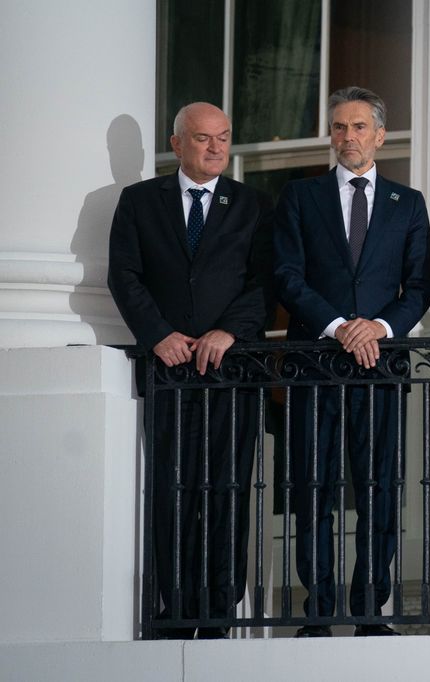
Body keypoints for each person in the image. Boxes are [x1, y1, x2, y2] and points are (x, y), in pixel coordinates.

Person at [108, 102, 274, 639]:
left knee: (227, 492)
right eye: (203, 139)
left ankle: (219, 612)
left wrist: (231, 332)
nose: (216, 148)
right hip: (169, 373)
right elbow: (125, 275)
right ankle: (174, 613)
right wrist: (157, 334)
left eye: (223, 138)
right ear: (176, 144)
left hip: (231, 372)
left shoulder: (252, 205)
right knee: (171, 491)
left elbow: (264, 283)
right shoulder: (138, 202)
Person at [274, 86, 430, 637]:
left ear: (380, 136)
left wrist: (381, 328)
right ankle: (318, 610)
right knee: (312, 490)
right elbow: (286, 276)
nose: (348, 137)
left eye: (359, 127)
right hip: (315, 363)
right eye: (340, 127)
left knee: (379, 492)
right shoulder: (300, 196)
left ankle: (370, 608)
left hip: (380, 369)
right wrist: (341, 327)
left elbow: (419, 286)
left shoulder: (407, 203)